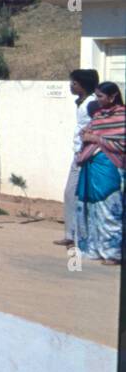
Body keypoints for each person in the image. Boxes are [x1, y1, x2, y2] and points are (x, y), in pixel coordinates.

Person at [74, 81, 124, 265]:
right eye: (96, 96)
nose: (98, 100)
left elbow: (121, 143)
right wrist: (86, 135)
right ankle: (93, 248)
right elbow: (87, 132)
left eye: (101, 96)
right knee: (91, 208)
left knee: (109, 209)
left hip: (109, 167)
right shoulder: (99, 115)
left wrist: (95, 138)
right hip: (92, 166)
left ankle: (113, 252)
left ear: (112, 97)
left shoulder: (122, 116)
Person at [55, 69, 99, 246]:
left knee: (74, 193)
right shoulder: (83, 102)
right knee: (73, 194)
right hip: (80, 153)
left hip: (87, 155)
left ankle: (77, 235)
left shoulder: (92, 104)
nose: (71, 86)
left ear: (82, 85)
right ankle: (72, 234)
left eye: (74, 83)